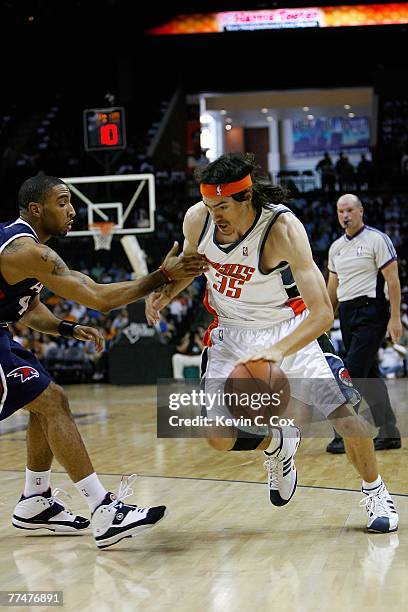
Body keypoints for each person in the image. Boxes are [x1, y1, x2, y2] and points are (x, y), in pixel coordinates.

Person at [146, 153, 399, 534]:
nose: (215, 214)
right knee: (216, 437)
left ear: (246, 197)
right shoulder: (198, 219)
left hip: (287, 328)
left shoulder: (283, 229)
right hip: (229, 333)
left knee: (348, 415)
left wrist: (280, 351)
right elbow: (191, 264)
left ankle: (375, 491)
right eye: (210, 205)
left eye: (223, 206)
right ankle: (279, 441)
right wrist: (167, 292)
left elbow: (321, 314)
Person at [1, 175, 207, 549]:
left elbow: (28, 308)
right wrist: (163, 275)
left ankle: (35, 499)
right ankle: (103, 510)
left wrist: (66, 328)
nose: (72, 210)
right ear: (35, 209)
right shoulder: (29, 252)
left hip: (2, 334)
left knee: (49, 401)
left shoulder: (29, 250)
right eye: (62, 202)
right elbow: (99, 297)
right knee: (50, 401)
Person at [326, 193, 402, 453]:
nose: (345, 215)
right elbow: (332, 289)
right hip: (347, 314)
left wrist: (394, 318)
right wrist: (325, 319)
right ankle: (389, 432)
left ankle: (343, 432)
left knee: (352, 371)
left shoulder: (377, 239)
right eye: (340, 211)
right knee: (369, 375)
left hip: (372, 312)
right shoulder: (335, 247)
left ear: (360, 211)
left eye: (349, 210)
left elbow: (392, 280)